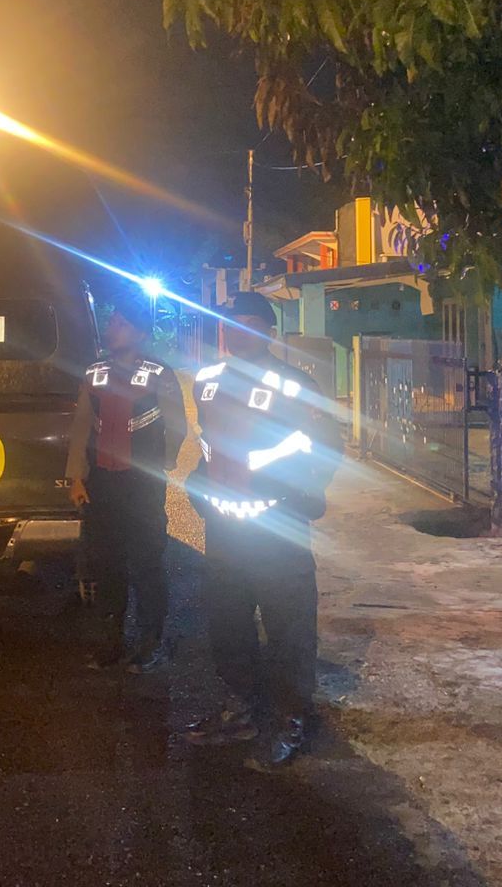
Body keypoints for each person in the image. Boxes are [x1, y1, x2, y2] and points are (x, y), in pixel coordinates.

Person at [182, 291, 338, 770]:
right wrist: (198, 487)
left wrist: (305, 493)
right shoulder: (207, 381)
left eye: (251, 323)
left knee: (289, 627)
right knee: (228, 624)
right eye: (233, 323)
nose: (240, 332)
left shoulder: (294, 384)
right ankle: (242, 707)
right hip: (225, 528)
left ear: (269, 332)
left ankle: (293, 719)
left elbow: (327, 444)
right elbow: (207, 442)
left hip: (277, 528)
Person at [66, 289, 187, 673]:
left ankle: (151, 643)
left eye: (121, 323)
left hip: (141, 486)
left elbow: (178, 426)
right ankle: (110, 644)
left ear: (139, 333)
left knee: (147, 564)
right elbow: (81, 427)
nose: (112, 327)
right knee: (106, 565)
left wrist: (161, 464)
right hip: (102, 485)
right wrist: (76, 477)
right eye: (112, 321)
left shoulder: (159, 374)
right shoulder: (94, 372)